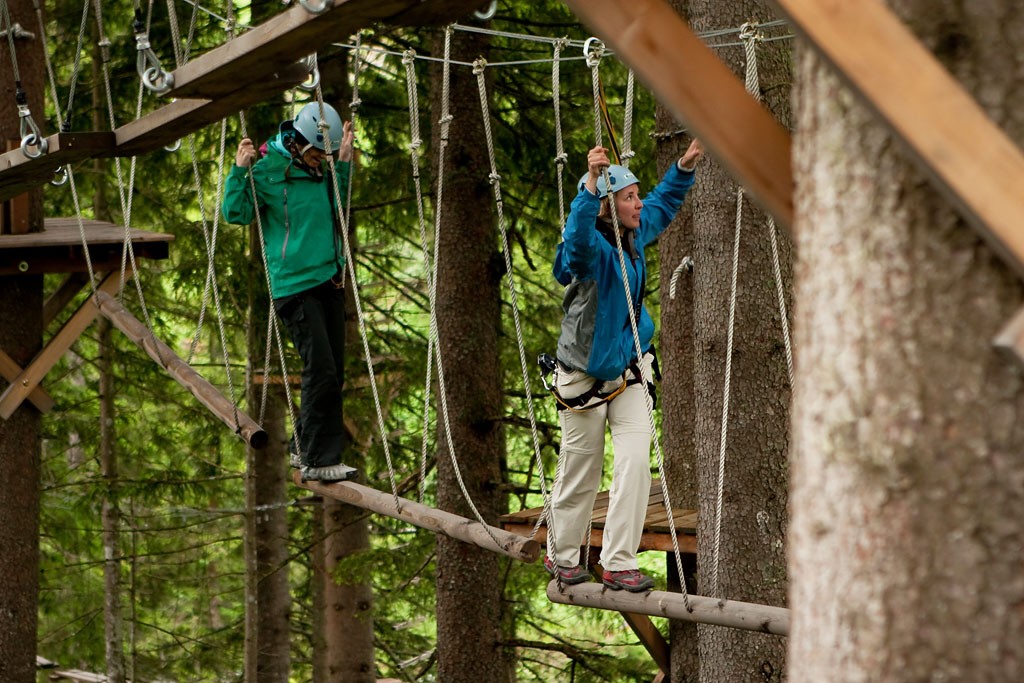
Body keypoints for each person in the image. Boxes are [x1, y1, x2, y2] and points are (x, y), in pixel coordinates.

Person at [544, 139, 704, 591]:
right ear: (605, 208)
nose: (639, 203)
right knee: (582, 470)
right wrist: (591, 184)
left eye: (635, 196)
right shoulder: (590, 250)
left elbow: (662, 203)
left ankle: (618, 561)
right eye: (629, 198)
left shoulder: (632, 233)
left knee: (634, 463)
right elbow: (574, 240)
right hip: (583, 377)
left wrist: (684, 166)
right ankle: (563, 555)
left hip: (630, 369)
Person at [222, 101, 358, 483]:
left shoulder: (322, 171)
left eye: (325, 157)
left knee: (335, 372)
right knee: (321, 370)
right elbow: (236, 213)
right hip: (294, 286)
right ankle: (319, 458)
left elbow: (338, 206)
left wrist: (343, 162)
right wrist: (239, 170)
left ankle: (303, 446)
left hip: (329, 278)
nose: (320, 163)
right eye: (318, 154)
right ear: (297, 143)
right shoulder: (267, 170)